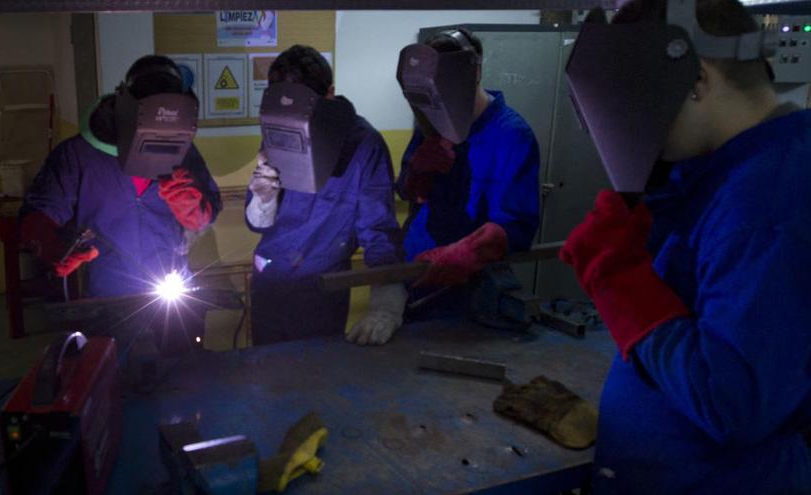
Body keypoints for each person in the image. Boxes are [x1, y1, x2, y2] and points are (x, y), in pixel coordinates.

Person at [560, 0, 811, 492]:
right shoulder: (728, 174)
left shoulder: (765, 204)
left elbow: (733, 403)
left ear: (695, 78)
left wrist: (618, 278)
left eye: (636, 97)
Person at [21, 55, 221, 299]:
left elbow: (207, 214)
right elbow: (38, 213)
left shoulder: (184, 151)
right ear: (126, 109)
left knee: (181, 334)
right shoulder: (77, 155)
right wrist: (50, 244)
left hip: (173, 289)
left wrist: (196, 210)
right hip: (110, 295)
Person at [246, 45, 405, 346]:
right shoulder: (281, 125)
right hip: (270, 281)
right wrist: (262, 199)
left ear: (329, 94)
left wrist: (386, 305)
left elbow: (378, 231)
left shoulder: (364, 146)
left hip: (322, 291)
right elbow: (257, 223)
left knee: (316, 380)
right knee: (266, 379)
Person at [396, 29, 540, 305]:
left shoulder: (512, 135)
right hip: (414, 272)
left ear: (474, 73)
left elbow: (517, 227)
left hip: (471, 288)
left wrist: (467, 251)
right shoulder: (431, 122)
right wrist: (416, 171)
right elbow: (407, 191)